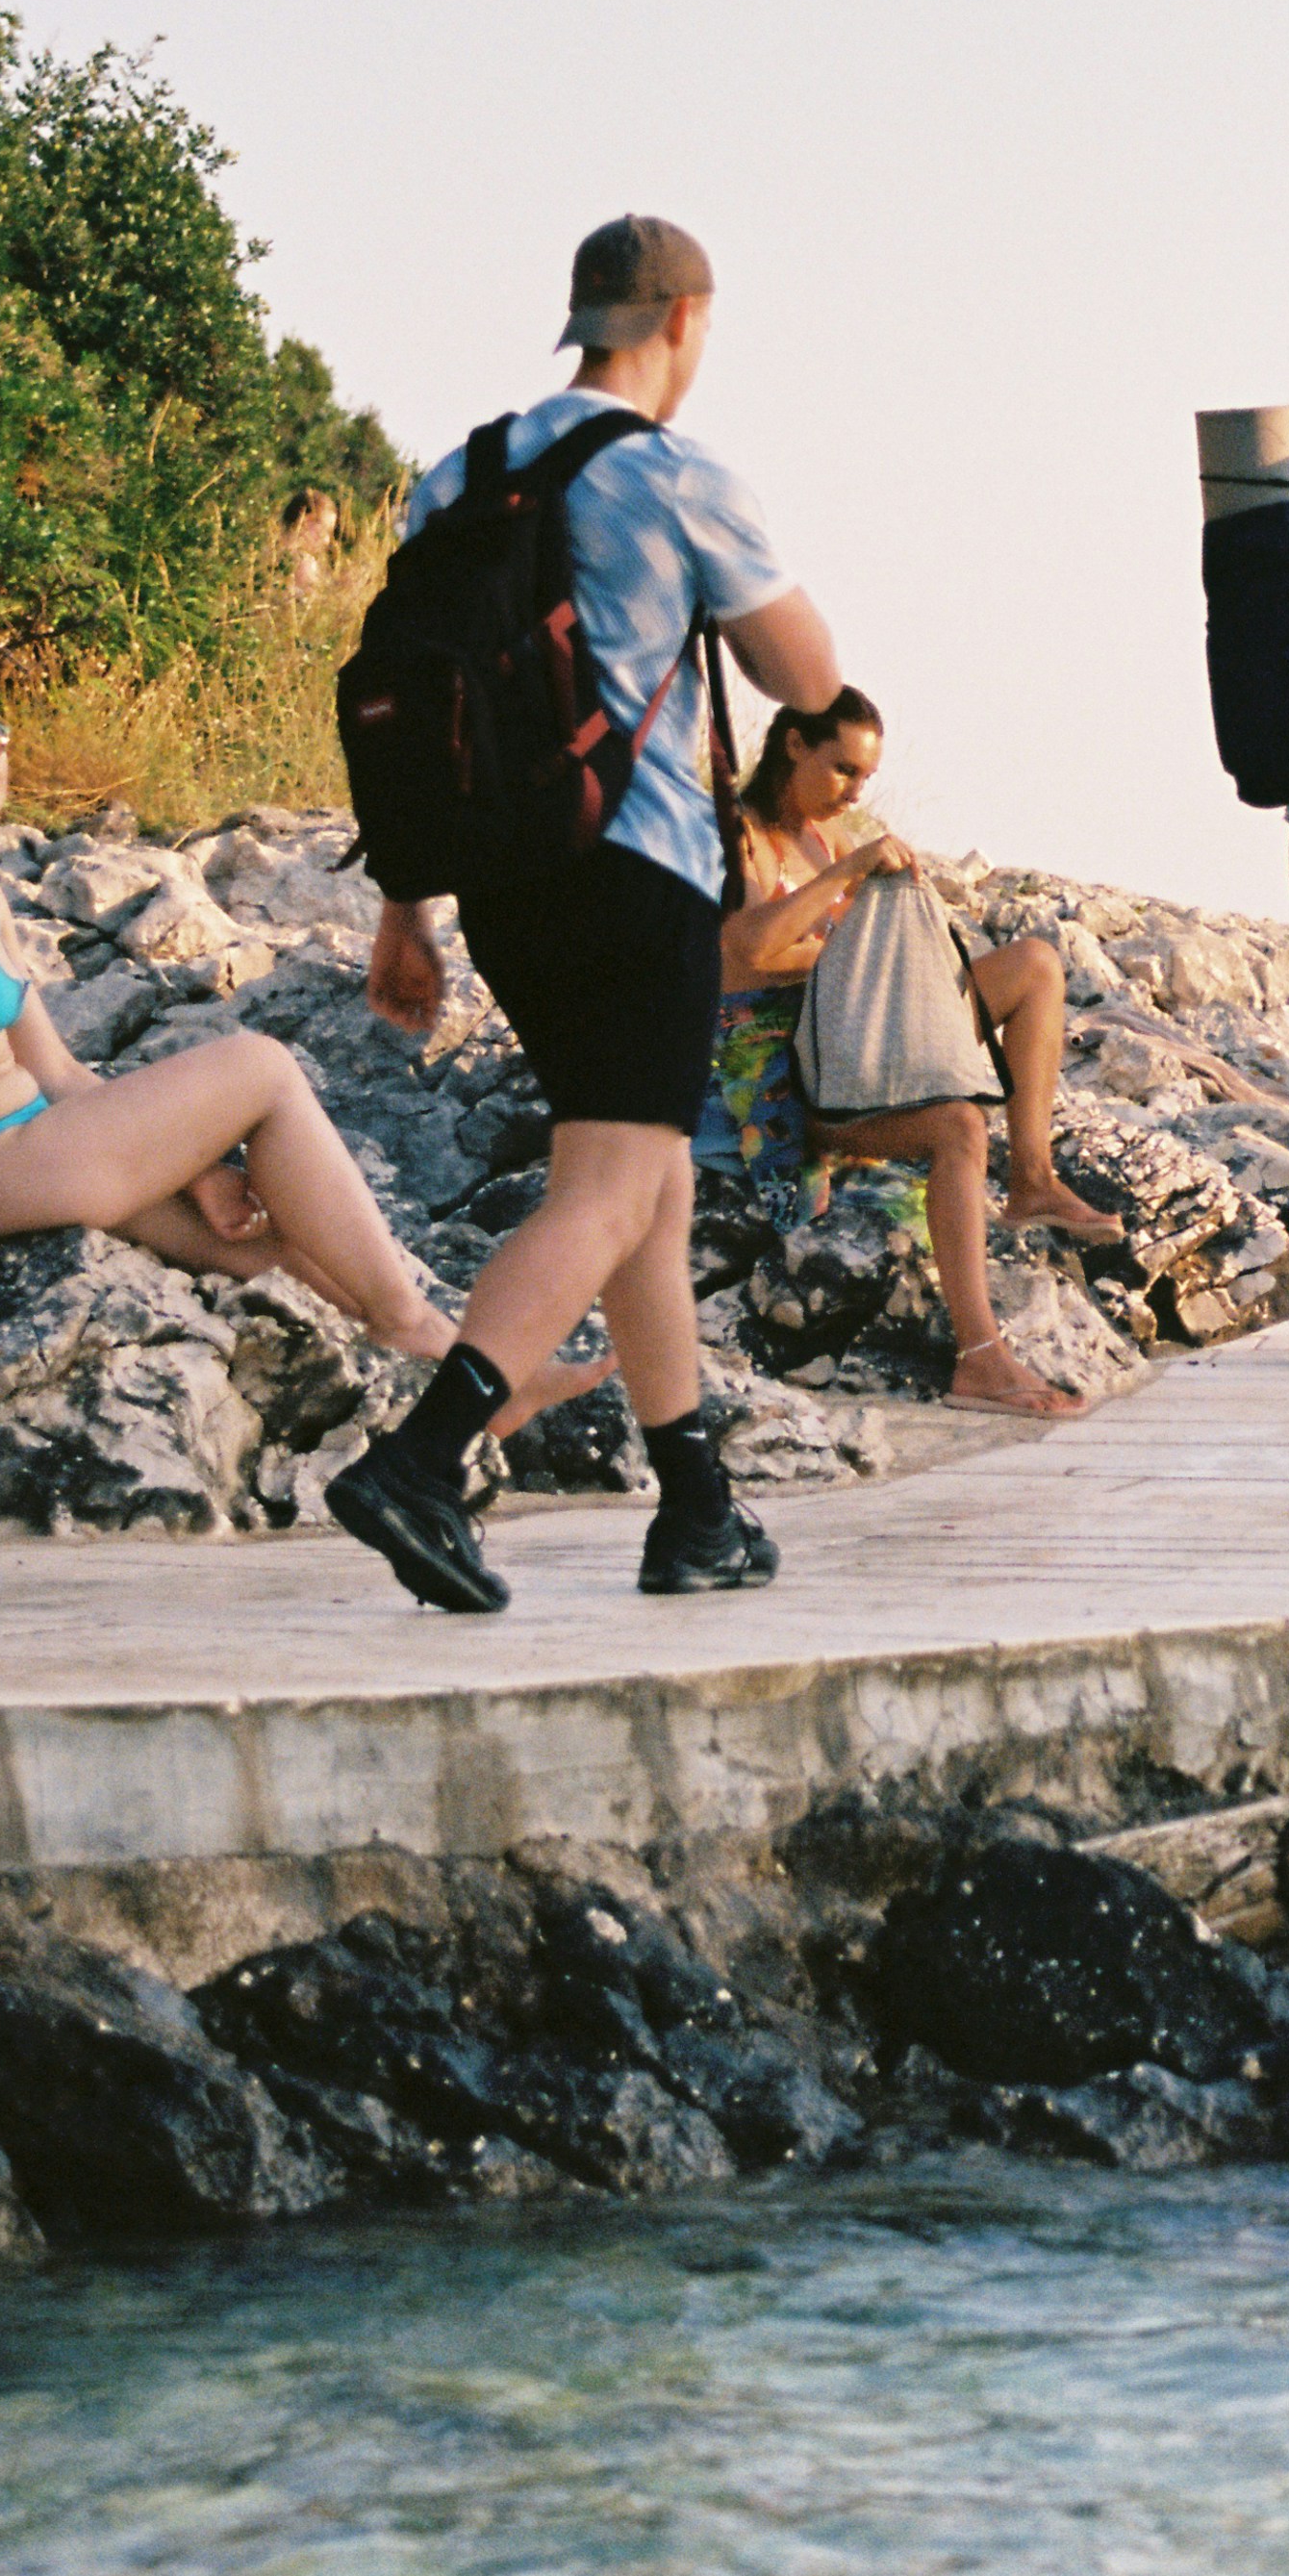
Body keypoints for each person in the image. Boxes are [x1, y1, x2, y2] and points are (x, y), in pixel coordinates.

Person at [334, 215, 838, 1613]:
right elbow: (810, 674)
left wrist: (404, 908)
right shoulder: (672, 477)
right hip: (636, 874)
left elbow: (420, 705)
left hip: (502, 881)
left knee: (650, 1194)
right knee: (611, 1190)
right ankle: (426, 1463)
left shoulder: (458, 475)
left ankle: (695, 1509)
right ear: (682, 319)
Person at [0, 673, 564, 1414]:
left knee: (273, 1243)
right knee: (262, 1065)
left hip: (32, 1149)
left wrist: (195, 1167)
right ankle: (416, 1322)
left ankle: (464, 1376)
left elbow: (61, 1070)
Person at [712, 691, 1124, 1416]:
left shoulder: (824, 839)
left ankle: (1032, 1175)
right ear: (794, 746)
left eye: (865, 778)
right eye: (843, 769)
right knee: (959, 1125)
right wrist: (850, 880)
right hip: (793, 1071)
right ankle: (981, 1359)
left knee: (1034, 965)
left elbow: (847, 957)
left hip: (851, 1036)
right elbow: (748, 948)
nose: (854, 790)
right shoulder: (739, 834)